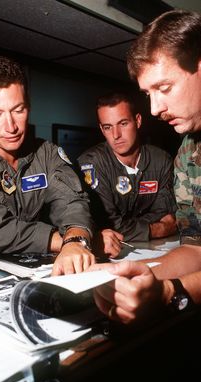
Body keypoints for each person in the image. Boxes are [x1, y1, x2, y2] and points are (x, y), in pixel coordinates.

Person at [88, 9, 201, 325]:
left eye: (164, 88)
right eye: (148, 94)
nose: (155, 109)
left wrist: (169, 293)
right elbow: (196, 250)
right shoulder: (188, 153)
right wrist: (126, 275)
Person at [0, 55, 105, 275]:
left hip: (25, 266)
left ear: (28, 106)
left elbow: (71, 201)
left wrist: (77, 238)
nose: (11, 126)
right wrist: (67, 242)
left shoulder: (46, 152)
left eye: (18, 110)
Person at [77, 91, 177, 242]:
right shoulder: (91, 163)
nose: (116, 135)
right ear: (101, 129)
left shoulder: (161, 161)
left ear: (137, 121)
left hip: (156, 249)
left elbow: (165, 213)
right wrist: (158, 229)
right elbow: (108, 224)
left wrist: (134, 228)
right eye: (108, 127)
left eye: (123, 123)